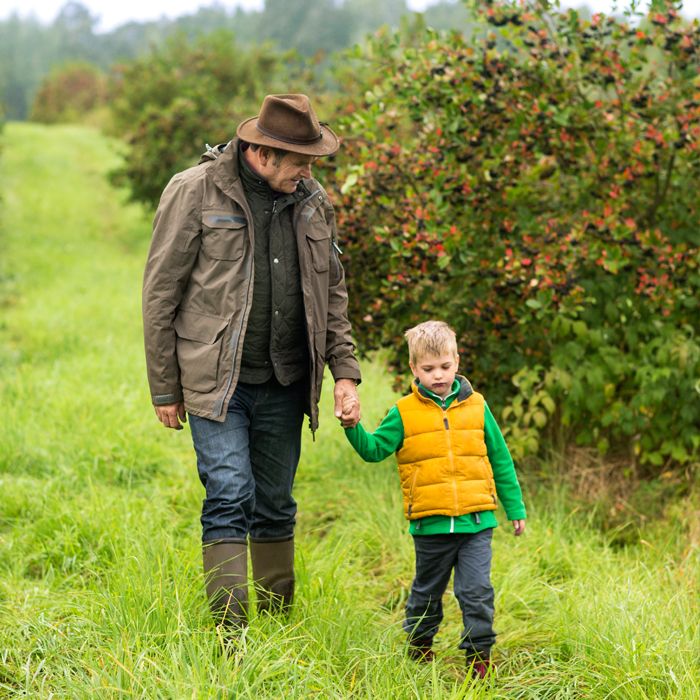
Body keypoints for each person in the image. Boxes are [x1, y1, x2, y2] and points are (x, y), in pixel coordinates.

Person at [142, 94, 362, 632]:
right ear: (263, 154)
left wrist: (345, 373)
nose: (309, 172)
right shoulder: (193, 192)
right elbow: (159, 294)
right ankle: (231, 637)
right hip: (218, 380)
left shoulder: (313, 200)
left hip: (286, 381)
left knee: (276, 503)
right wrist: (164, 388)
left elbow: (331, 294)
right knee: (229, 494)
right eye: (301, 161)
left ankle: (277, 627)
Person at [342, 320, 526, 678]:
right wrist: (352, 427)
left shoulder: (477, 407)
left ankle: (478, 659)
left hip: (477, 522)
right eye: (428, 369)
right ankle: (420, 645)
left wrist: (514, 507)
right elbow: (375, 450)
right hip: (430, 526)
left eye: (444, 366)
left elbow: (500, 458)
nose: (438, 375)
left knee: (477, 593)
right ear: (414, 369)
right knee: (427, 594)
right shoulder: (404, 413)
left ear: (457, 361)